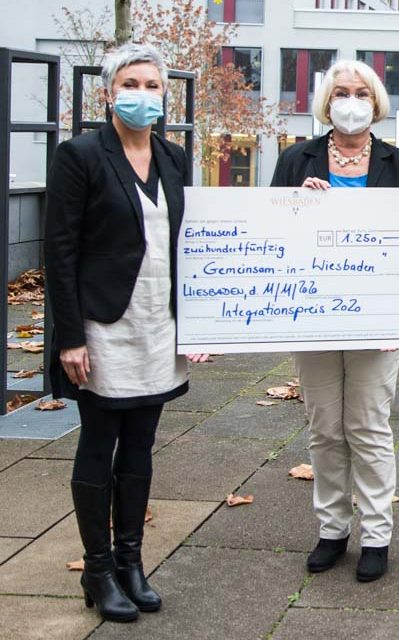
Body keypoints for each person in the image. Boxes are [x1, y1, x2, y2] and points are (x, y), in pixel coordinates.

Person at [44, 43, 211, 623]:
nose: (143, 94)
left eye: (152, 84)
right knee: (99, 441)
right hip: (101, 327)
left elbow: (192, 242)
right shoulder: (80, 156)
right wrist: (70, 336)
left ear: (165, 94)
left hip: (157, 324)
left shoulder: (173, 157)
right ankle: (97, 569)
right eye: (131, 84)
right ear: (109, 93)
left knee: (140, 444)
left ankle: (130, 562)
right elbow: (60, 251)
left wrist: (201, 321)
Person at [270, 60, 399, 583]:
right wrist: (299, 205)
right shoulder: (296, 160)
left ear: (375, 102)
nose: (351, 101)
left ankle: (376, 534)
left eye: (361, 93)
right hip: (312, 315)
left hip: (376, 318)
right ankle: (332, 529)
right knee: (324, 428)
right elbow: (270, 233)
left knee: (368, 426)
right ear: (326, 101)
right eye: (341, 92)